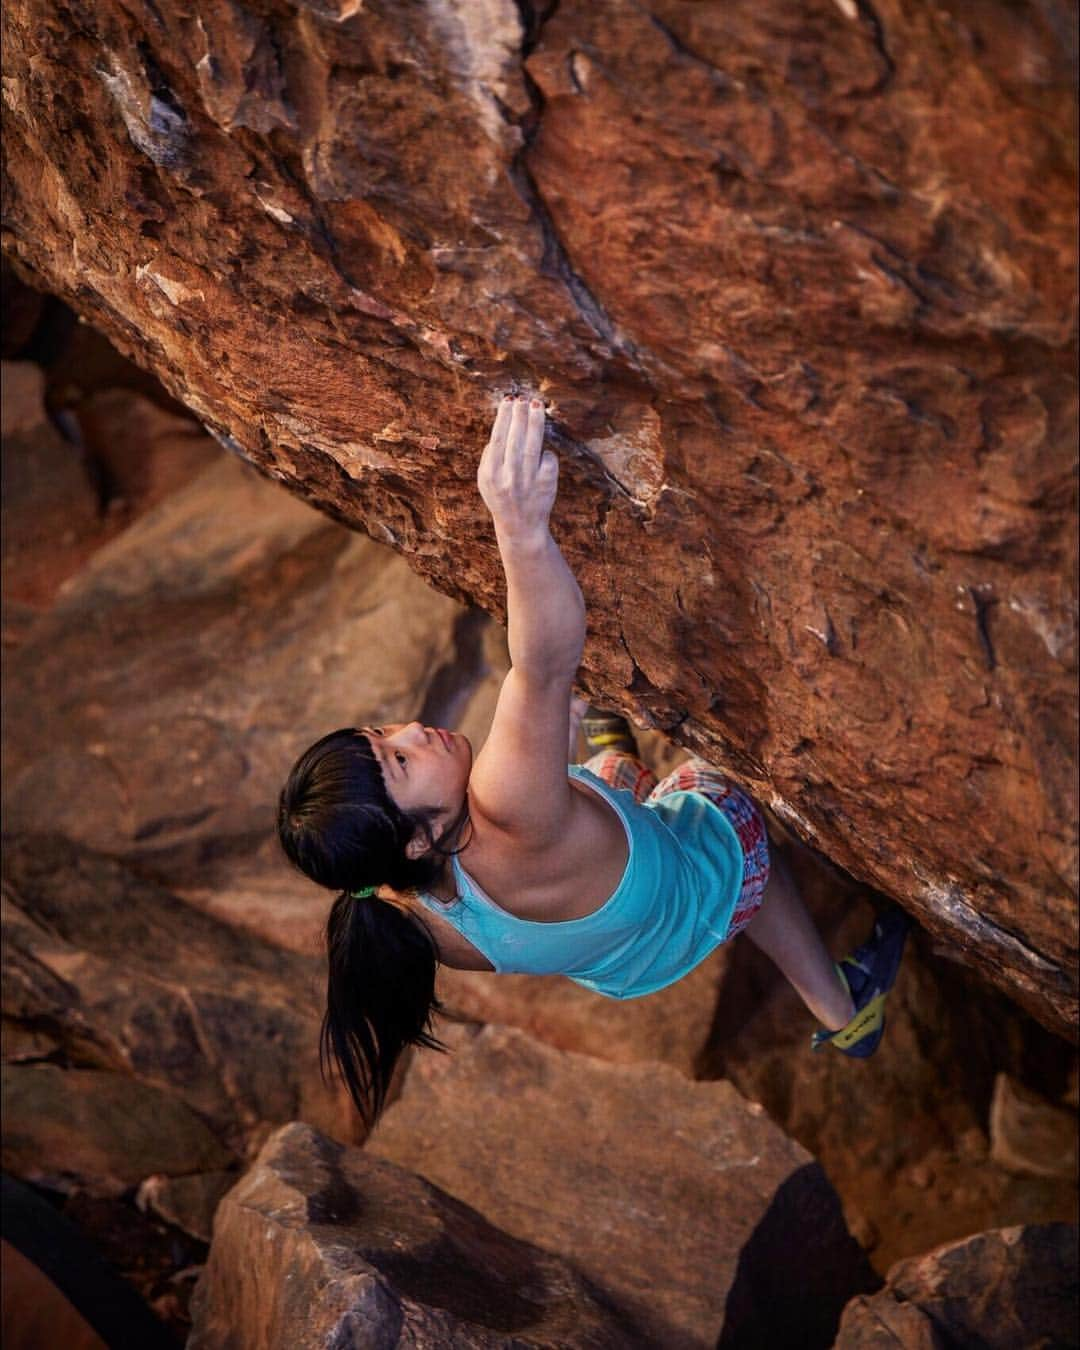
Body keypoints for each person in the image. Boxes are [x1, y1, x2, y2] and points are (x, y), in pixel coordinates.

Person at [278, 393, 910, 1125]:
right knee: (723, 819)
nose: (415, 731)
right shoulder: (509, 799)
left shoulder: (406, 913)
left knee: (593, 784)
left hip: (624, 959)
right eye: (400, 763)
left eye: (381, 733)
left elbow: (511, 800)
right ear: (416, 838)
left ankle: (838, 1010)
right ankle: (837, 1001)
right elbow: (543, 662)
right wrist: (519, 529)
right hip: (690, 891)